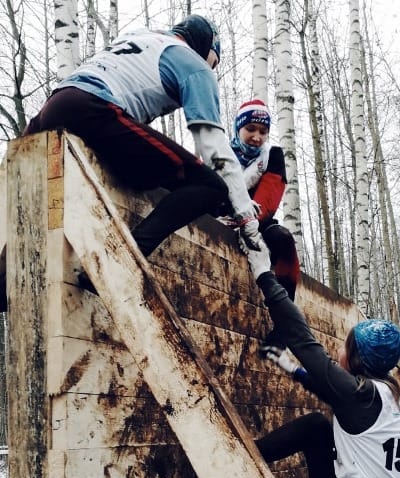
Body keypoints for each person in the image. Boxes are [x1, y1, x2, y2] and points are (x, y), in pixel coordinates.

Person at [191, 238, 400, 478]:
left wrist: (263, 274)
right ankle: (243, 458)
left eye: (345, 345)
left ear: (357, 358)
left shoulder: (361, 396)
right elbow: (329, 389)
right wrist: (289, 367)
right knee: (317, 427)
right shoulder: (389, 397)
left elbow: (301, 337)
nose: (338, 349)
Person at [22, 15, 263, 290]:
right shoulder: (193, 64)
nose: (213, 69)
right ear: (207, 47)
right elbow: (214, 146)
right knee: (210, 186)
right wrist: (244, 211)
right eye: (215, 62)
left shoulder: (140, 37)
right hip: (92, 108)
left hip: (53, 106)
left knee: (139, 176)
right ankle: (118, 262)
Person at [226, 98, 300, 350]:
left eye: (263, 131)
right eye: (251, 129)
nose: (257, 137)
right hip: (220, 217)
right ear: (239, 128)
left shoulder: (273, 155)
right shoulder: (222, 154)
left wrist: (247, 220)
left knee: (282, 239)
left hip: (257, 220)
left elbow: (270, 196)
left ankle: (284, 326)